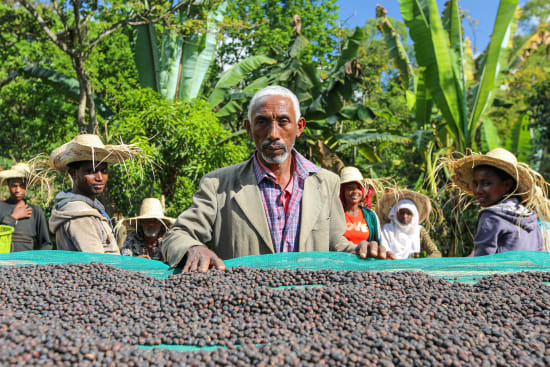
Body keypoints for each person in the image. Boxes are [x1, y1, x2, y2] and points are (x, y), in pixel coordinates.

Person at [162, 85, 395, 271]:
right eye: (262, 122)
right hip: (242, 311)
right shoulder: (219, 185)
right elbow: (177, 234)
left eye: (283, 121)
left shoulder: (327, 183)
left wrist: (361, 250)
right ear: (249, 128)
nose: (273, 134)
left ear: (299, 126)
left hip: (311, 309)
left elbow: (336, 244)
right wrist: (193, 247)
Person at [48, 134, 139, 254]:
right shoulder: (80, 216)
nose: (100, 178)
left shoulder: (89, 207)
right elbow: (97, 264)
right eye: (91, 171)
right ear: (73, 173)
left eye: (104, 171)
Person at [447, 148, 547, 256]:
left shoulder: (491, 216)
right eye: (475, 184)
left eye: (486, 184)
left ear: (507, 185)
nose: (478, 190)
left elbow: (483, 262)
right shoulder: (529, 215)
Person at [0, 163, 53, 252]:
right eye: (14, 185)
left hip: (26, 263)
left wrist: (39, 262)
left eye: (22, 186)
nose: (18, 190)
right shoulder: (1, 207)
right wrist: (13, 217)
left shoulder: (36, 211)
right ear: (8, 184)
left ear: (27, 187)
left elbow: (46, 244)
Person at [377, 189, 441, 259]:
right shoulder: (387, 229)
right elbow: (384, 249)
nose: (405, 216)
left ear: (414, 215)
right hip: (390, 267)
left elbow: (435, 252)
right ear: (395, 213)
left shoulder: (419, 230)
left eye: (408, 213)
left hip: (414, 268)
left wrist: (425, 262)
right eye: (401, 213)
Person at [339, 166, 381, 245]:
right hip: (340, 257)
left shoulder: (370, 215)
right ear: (343, 192)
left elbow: (377, 241)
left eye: (358, 188)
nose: (355, 191)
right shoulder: (336, 215)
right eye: (350, 188)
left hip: (364, 256)